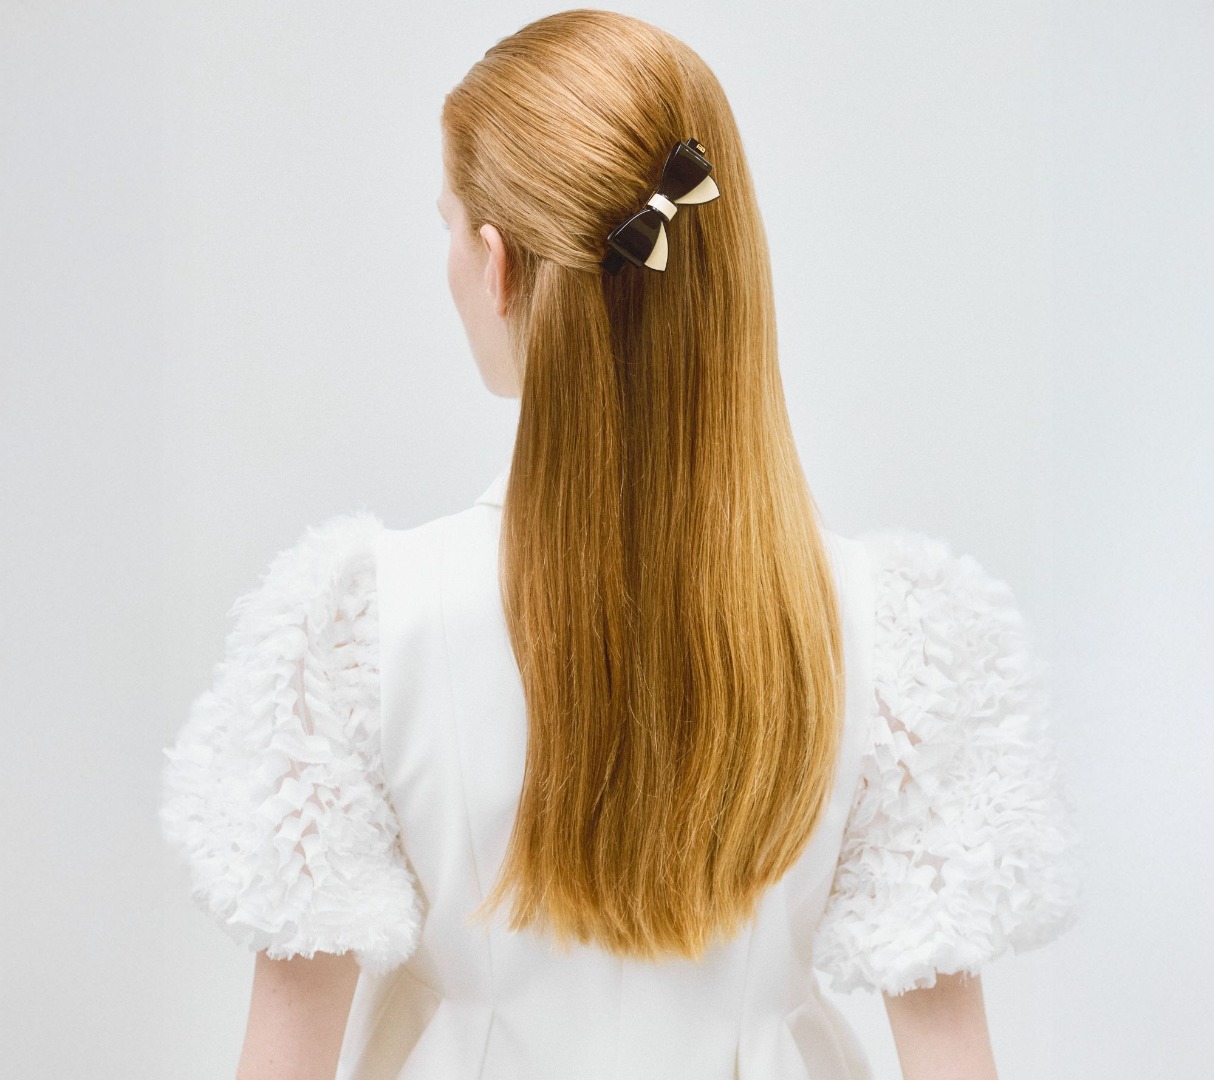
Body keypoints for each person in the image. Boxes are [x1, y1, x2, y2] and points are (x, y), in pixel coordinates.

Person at [158, 10, 1083, 1080]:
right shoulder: (894, 634)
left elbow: (284, 1054)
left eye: (448, 225)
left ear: (496, 266)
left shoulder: (356, 629)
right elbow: (952, 1057)